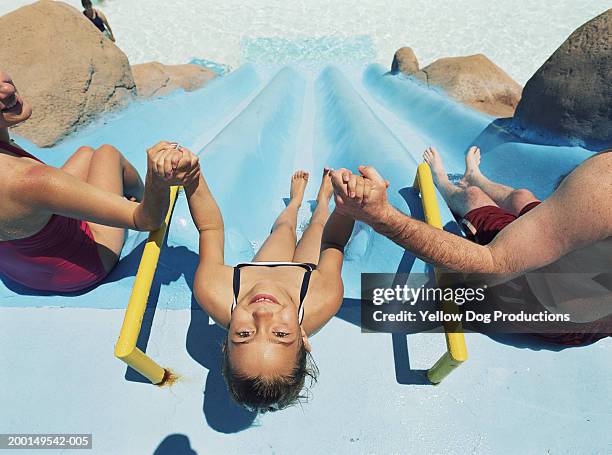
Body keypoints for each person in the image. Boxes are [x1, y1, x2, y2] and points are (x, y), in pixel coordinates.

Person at [330, 146, 612, 344]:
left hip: (531, 303)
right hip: (594, 325)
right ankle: (474, 176)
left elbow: (491, 265)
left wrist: (382, 216)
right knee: (521, 197)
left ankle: (446, 183)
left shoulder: (604, 185)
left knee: (475, 198)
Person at [0, 69, 200, 293]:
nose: (6, 89)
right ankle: (141, 196)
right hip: (76, 271)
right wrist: (158, 180)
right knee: (107, 154)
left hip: (15, 269)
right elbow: (146, 222)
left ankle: (117, 201)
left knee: (86, 154)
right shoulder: (33, 180)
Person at [186, 166, 354, 412]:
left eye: (244, 334)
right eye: (281, 334)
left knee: (283, 229)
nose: (262, 315)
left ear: (225, 343)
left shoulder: (212, 290)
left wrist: (190, 176)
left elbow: (209, 229)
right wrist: (348, 206)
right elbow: (335, 242)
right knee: (319, 229)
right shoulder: (324, 297)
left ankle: (294, 202)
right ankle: (323, 202)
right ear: (303, 339)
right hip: (305, 278)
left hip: (264, 267)